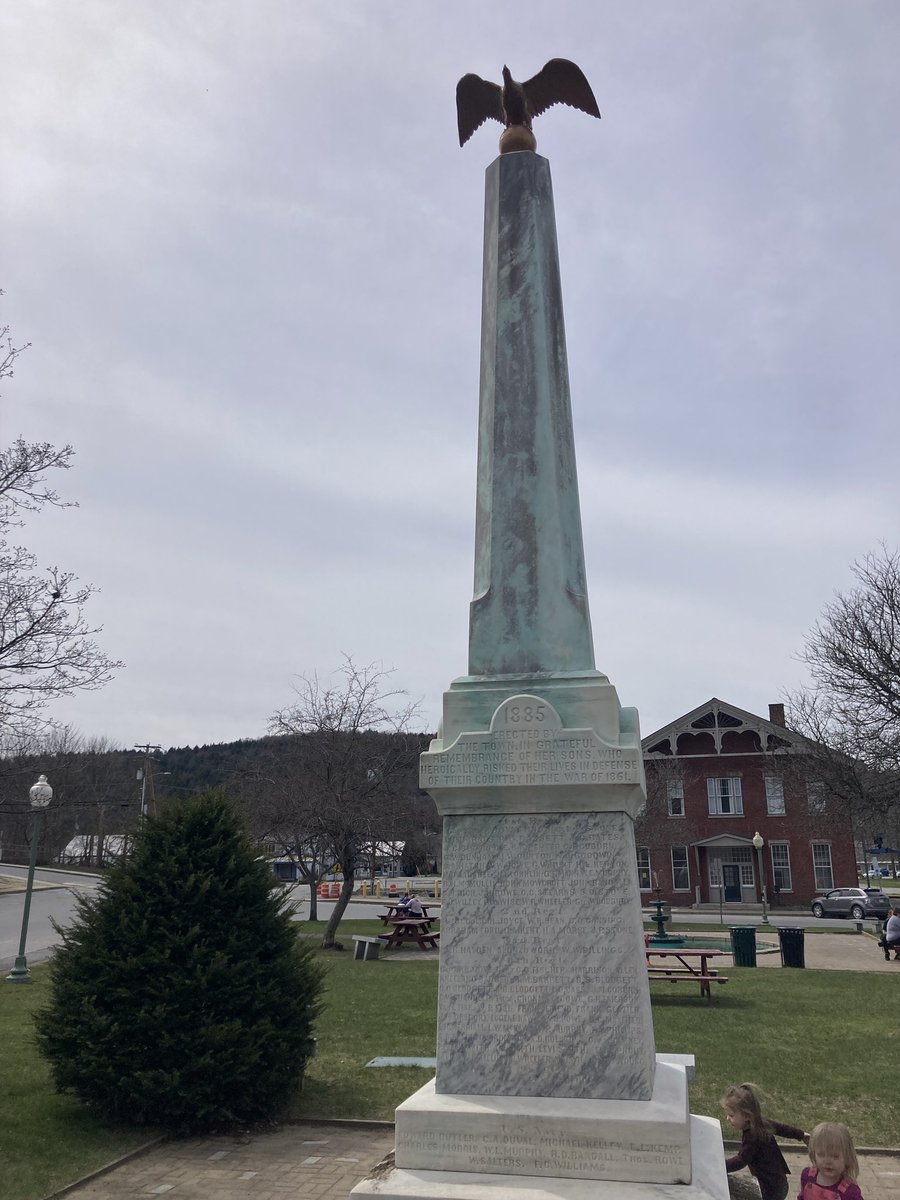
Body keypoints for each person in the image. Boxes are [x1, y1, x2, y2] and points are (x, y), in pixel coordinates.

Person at [721, 1082, 809, 1200]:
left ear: (747, 1116)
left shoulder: (752, 1137)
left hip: (770, 1189)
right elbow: (782, 1129)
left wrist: (720, 1166)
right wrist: (801, 1135)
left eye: (731, 1115)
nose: (727, 1118)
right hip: (779, 1182)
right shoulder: (761, 1123)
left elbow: (741, 1160)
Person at [798, 1121, 864, 1199]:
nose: (828, 1161)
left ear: (847, 1157)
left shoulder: (850, 1192)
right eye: (821, 1155)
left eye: (835, 1156)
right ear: (814, 1153)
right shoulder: (807, 1176)